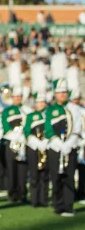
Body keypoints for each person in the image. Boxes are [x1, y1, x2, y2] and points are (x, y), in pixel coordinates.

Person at [45, 79, 82, 216]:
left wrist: (69, 144)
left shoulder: (74, 109)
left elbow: (77, 127)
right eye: (59, 92)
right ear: (55, 94)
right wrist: (59, 144)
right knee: (56, 177)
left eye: (64, 92)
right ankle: (58, 204)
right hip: (55, 148)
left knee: (69, 177)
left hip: (70, 147)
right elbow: (48, 129)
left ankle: (69, 205)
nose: (62, 95)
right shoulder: (50, 109)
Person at [1, 86, 29, 203]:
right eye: (16, 96)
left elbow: (29, 126)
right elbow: (5, 126)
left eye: (19, 96)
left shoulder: (27, 110)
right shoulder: (7, 111)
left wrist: (23, 137)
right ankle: (12, 193)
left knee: (22, 169)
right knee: (11, 168)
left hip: (23, 143)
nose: (18, 98)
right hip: (11, 141)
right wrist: (16, 137)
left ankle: (22, 193)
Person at [24, 92, 49, 207]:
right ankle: (34, 199)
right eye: (39, 102)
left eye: (42, 102)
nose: (41, 104)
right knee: (34, 174)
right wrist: (37, 143)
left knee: (44, 175)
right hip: (34, 147)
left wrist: (45, 142)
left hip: (46, 147)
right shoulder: (30, 116)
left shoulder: (49, 115)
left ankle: (43, 199)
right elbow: (27, 132)